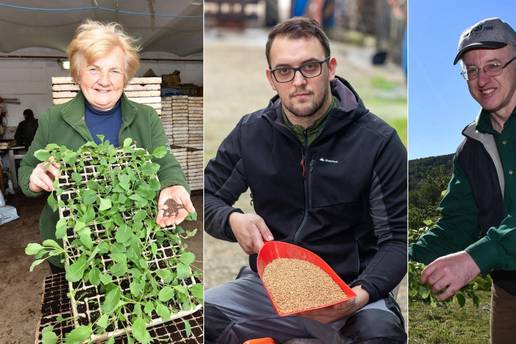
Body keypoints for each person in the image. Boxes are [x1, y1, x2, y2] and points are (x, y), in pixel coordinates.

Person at [204, 17, 407, 344]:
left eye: (310, 66)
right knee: (200, 320)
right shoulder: (251, 132)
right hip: (270, 289)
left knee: (381, 336)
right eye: (284, 71)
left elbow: (396, 241)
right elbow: (209, 195)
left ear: (331, 68)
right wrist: (232, 219)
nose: (298, 80)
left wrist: (360, 295)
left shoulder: (378, 142)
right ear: (271, 79)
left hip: (351, 292)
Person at [18, 20, 195, 273]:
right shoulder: (52, 119)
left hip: (133, 244)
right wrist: (34, 179)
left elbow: (165, 163)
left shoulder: (145, 117)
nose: (104, 80)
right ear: (78, 74)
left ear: (125, 76)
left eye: (114, 71)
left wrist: (174, 185)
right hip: (74, 248)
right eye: (93, 69)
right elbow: (25, 169)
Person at [410, 17, 516, 344]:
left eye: (493, 65)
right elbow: (457, 224)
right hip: (510, 291)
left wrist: (476, 259)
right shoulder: (471, 148)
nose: (482, 79)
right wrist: (405, 262)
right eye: (472, 70)